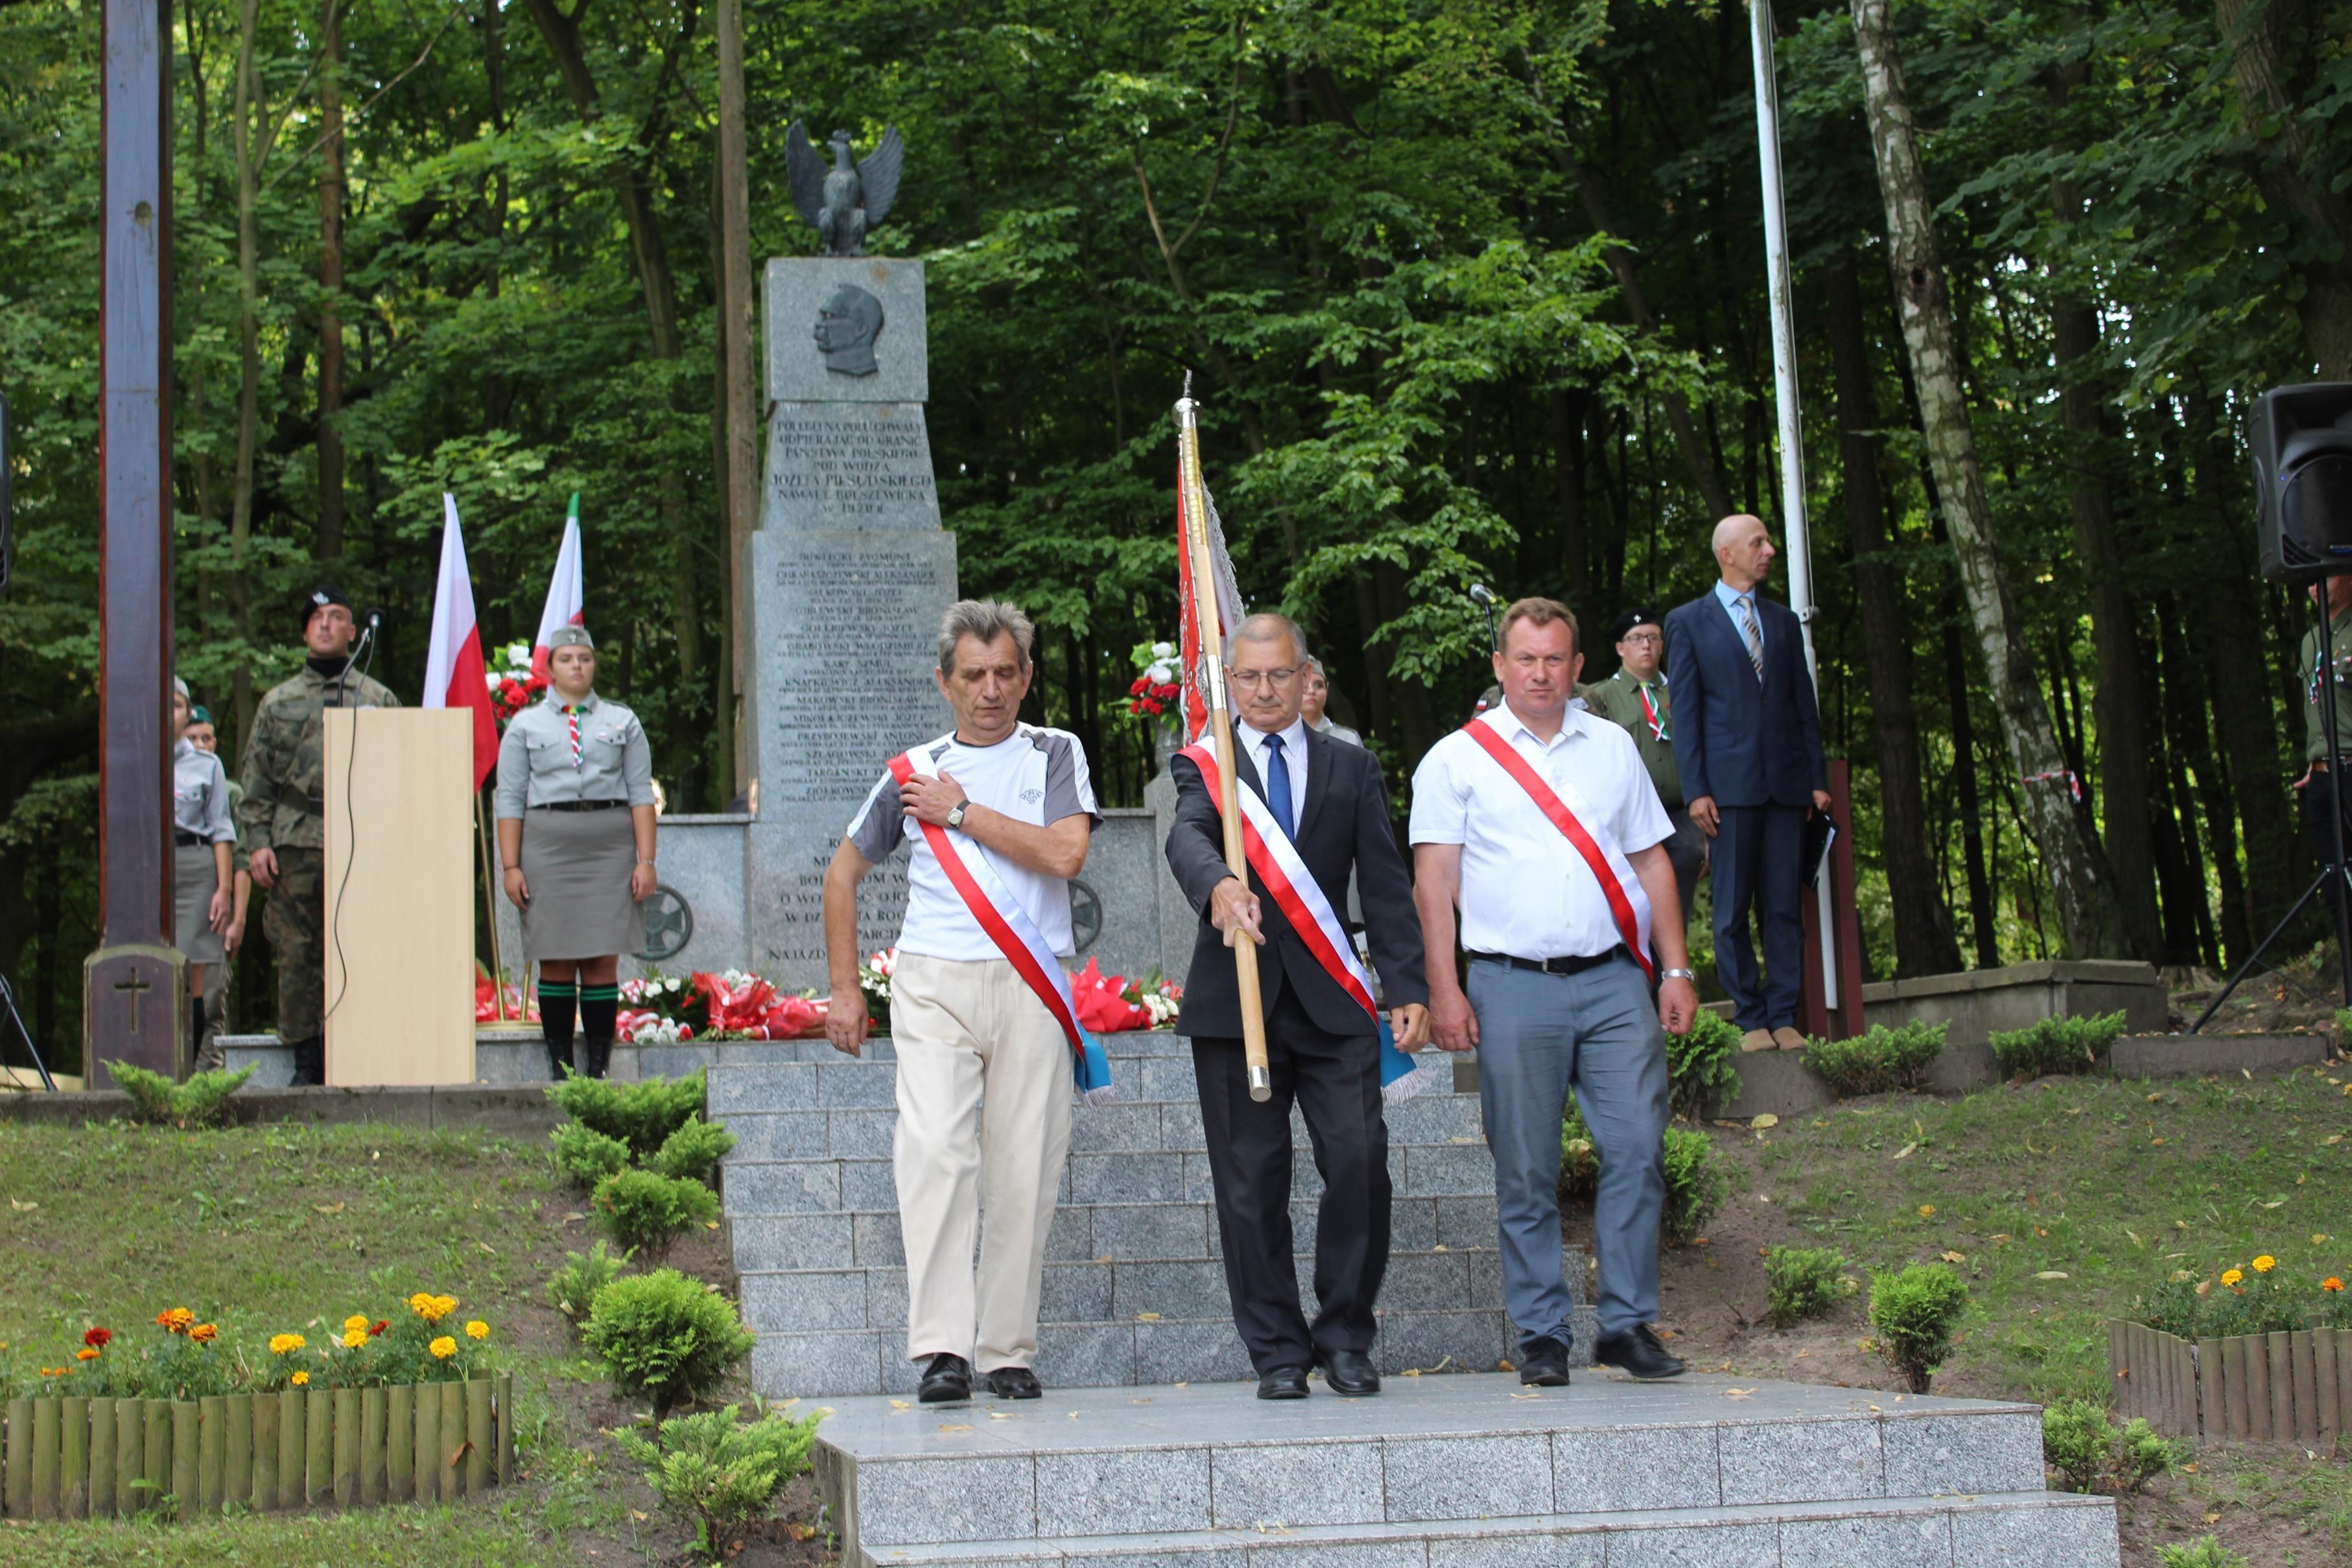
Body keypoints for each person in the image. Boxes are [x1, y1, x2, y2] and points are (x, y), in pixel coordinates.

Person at [1411, 596, 1700, 1386]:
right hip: (1511, 987)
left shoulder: (1611, 747)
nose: (1540, 673)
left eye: (1555, 659)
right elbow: (1433, 885)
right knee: (1526, 1167)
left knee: (1637, 1151)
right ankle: (1541, 1331)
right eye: (1525, 659)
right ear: (1500, 666)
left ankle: (1626, 1323)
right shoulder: (1455, 759)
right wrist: (1446, 991)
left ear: (1578, 668)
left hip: (1613, 982)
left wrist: (1674, 969)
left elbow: (1651, 861)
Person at [823, 600, 1101, 1406]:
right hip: (934, 980)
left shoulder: (1056, 751)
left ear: (1027, 677)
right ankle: (942, 1347)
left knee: (1024, 1166)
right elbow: (842, 875)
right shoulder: (911, 768)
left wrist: (963, 814)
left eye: (1005, 672)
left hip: (1031, 982)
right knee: (937, 1153)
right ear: (944, 682)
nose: (991, 689)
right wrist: (846, 992)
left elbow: (1066, 850)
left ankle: (1006, 1349)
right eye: (974, 674)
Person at [1164, 614, 1429, 1401]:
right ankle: (1278, 1351)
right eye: (1248, 678)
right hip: (1234, 1000)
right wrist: (1215, 883)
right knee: (1250, 1182)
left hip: (1334, 1006)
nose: (1265, 691)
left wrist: (1407, 986)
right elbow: (1187, 836)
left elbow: (1383, 882)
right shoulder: (1204, 765)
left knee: (1358, 1162)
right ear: (1228, 683)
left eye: (1279, 675)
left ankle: (1346, 1335)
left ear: (1306, 675)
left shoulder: (1351, 767)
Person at [1664, 516, 1829, 1055]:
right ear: (1727, 553)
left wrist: (1817, 780)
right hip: (1727, 792)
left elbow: (1802, 705)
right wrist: (1697, 791)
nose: (1770, 550)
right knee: (1732, 909)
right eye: (1758, 542)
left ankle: (1784, 1014)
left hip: (1786, 788)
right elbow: (1686, 714)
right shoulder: (1688, 621)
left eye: (1768, 540)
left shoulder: (1781, 622)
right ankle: (1749, 1016)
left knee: (1783, 906)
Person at [239, 586, 401, 1086]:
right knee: (298, 948)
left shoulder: (378, 699)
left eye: (337, 617)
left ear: (354, 632)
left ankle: (363, 1046)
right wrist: (257, 844)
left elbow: (403, 773)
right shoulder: (278, 701)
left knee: (364, 943)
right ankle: (307, 1056)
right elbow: (256, 780)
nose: (326, 625)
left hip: (364, 839)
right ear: (306, 631)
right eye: (317, 618)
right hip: (298, 841)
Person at [495, 626, 659, 1081]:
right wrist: (511, 866)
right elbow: (509, 797)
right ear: (549, 668)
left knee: (604, 955)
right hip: (548, 844)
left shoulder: (622, 721)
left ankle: (600, 1065)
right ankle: (560, 1067)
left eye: (585, 658)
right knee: (557, 954)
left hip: (609, 844)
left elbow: (640, 792)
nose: (577, 666)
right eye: (566, 659)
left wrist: (646, 859)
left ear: (594, 664)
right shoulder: (525, 725)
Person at [1582, 609, 1707, 923]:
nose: (1646, 646)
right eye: (1636, 639)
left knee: (1679, 897)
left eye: (1653, 638)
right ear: (1620, 648)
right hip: (1631, 815)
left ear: (1663, 645)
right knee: (1635, 899)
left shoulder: (1683, 690)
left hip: (1681, 812)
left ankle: (1672, 962)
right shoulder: (1600, 696)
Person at [172, 679, 237, 1069]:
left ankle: (194, 1071)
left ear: (188, 713)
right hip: (149, 871)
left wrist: (224, 889)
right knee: (153, 970)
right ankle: (158, 1067)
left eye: (177, 706)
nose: (170, 713)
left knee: (195, 976)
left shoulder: (206, 764)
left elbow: (222, 829)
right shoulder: (134, 756)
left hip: (195, 869)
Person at [183, 706, 250, 1070]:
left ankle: (207, 1082)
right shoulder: (172, 783)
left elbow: (241, 861)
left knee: (211, 1001)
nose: (200, 745)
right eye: (192, 738)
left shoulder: (231, 792)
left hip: (215, 910)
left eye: (206, 738)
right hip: (181, 904)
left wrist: (238, 919)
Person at [2294, 574, 2352, 941]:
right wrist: (2315, 758)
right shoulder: (2310, 641)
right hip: (2321, 779)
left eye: (2327, 575)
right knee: (2336, 893)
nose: (2316, 585)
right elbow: (2315, 708)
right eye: (2310, 580)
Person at [1299, 657, 1363, 747]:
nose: (1312, 691)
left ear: (1327, 689)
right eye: (1304, 685)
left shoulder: (1347, 740)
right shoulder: (1279, 741)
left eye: (1318, 685)